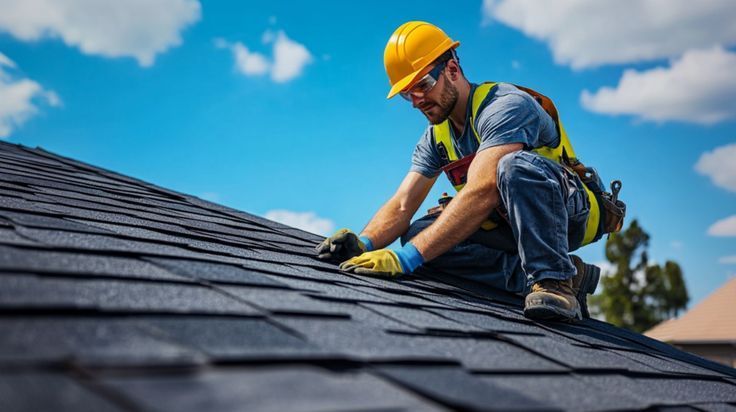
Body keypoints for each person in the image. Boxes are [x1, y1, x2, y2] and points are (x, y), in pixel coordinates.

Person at [316, 21, 609, 322]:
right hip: (509, 225)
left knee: (512, 167)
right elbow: (403, 204)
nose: (417, 101)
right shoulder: (436, 137)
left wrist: (405, 261)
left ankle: (555, 281)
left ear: (452, 70)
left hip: (566, 215)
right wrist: (363, 242)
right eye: (407, 94)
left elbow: (483, 189)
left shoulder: (505, 106)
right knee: (418, 234)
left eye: (423, 85)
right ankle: (556, 276)